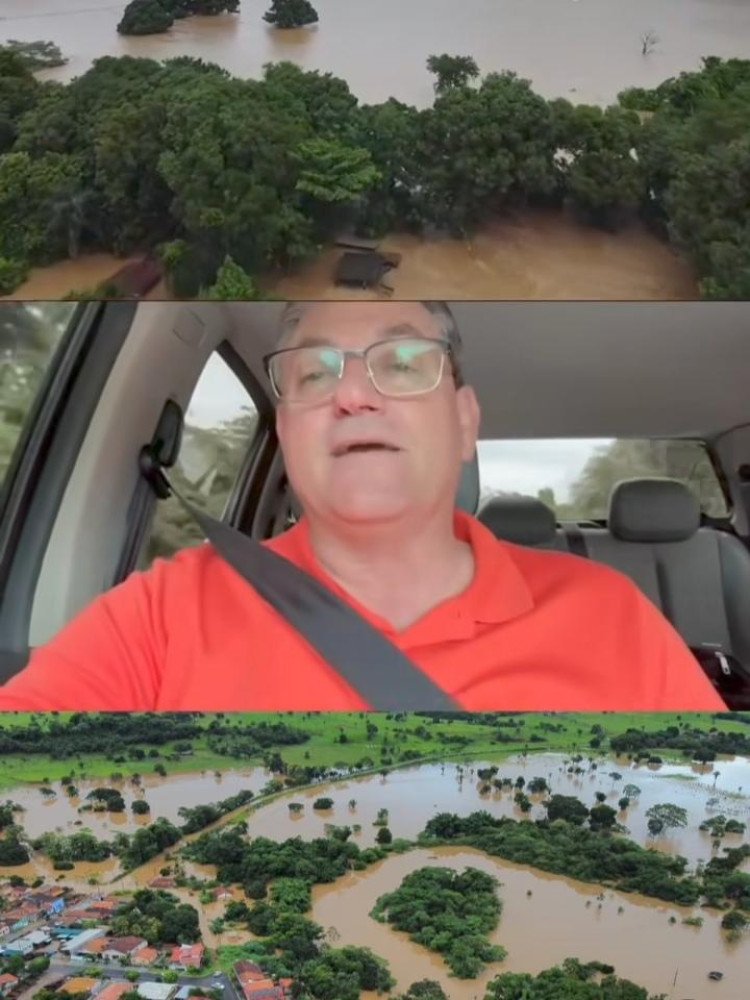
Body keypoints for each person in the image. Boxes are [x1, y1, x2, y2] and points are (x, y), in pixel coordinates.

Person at [0, 301, 725, 710]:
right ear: (285, 430)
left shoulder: (611, 618)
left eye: (405, 364)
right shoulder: (157, 617)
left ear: (466, 421)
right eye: (314, 374)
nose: (352, 394)